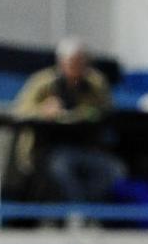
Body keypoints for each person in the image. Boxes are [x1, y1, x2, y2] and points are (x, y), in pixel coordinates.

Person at [13, 38, 122, 206]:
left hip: (86, 147)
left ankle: (87, 210)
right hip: (48, 150)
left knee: (114, 169)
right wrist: (42, 111)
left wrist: (90, 113)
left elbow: (106, 111)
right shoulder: (42, 82)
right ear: (61, 63)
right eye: (72, 62)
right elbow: (19, 112)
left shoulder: (95, 83)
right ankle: (78, 212)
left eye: (81, 62)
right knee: (62, 166)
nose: (77, 67)